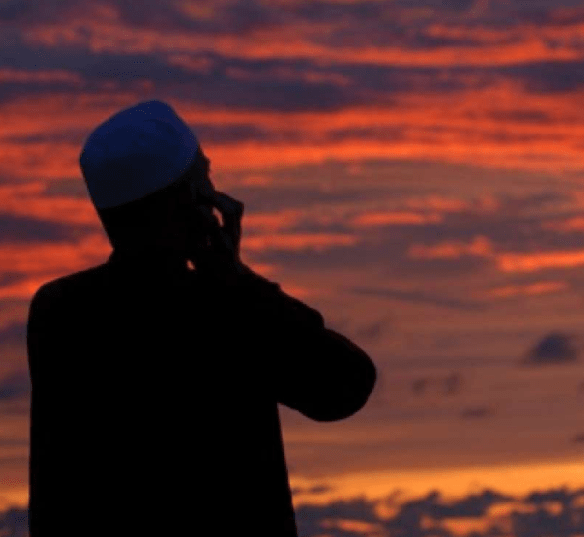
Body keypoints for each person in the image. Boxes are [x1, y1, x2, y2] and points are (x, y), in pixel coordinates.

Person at [26, 100, 377, 536]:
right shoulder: (223, 312)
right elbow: (345, 384)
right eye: (206, 178)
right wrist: (235, 277)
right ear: (194, 203)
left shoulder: (60, 312)